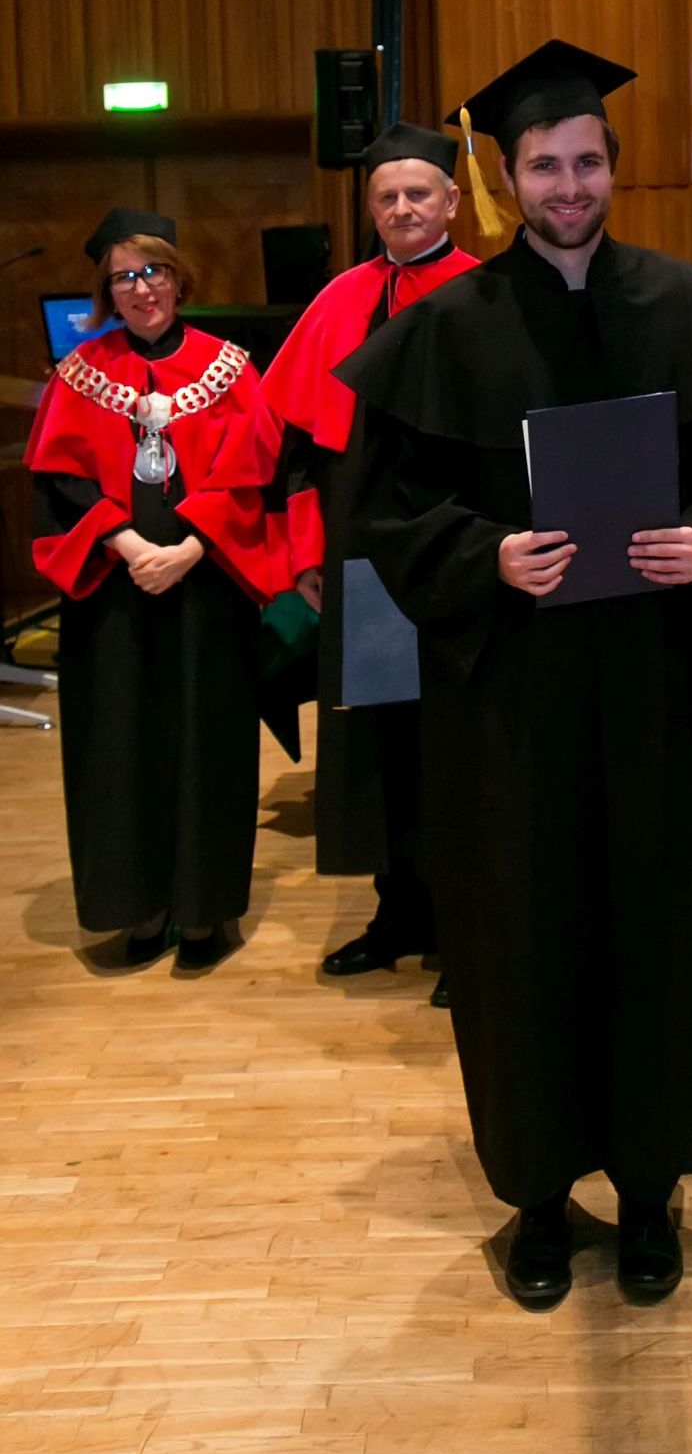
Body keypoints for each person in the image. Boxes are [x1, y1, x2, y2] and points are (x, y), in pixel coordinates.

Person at [336, 40, 692, 1308]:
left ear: (611, 168)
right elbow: (384, 511)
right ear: (508, 178)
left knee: (654, 930)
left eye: (586, 162)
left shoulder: (686, 306)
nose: (568, 186)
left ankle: (648, 1192)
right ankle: (536, 1195)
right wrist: (486, 557)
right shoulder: (445, 329)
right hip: (508, 700)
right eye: (544, 166)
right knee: (520, 932)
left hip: (648, 690)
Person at [231, 126, 478, 984]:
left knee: (457, 744)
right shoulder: (339, 300)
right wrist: (307, 556)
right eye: (387, 197)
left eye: (419, 193)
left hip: (459, 557)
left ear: (452, 201)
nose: (403, 208)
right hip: (363, 561)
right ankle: (397, 910)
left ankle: (465, 934)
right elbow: (299, 449)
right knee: (382, 739)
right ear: (370, 208)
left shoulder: (488, 295)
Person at [25, 208, 271, 970]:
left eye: (153, 271)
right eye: (124, 277)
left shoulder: (229, 367)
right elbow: (60, 482)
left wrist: (191, 548)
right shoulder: (80, 374)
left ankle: (202, 914)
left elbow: (251, 473)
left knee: (208, 742)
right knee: (119, 746)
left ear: (177, 276)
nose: (142, 289)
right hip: (112, 592)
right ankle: (139, 905)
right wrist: (131, 546)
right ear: (107, 292)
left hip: (207, 588)